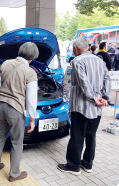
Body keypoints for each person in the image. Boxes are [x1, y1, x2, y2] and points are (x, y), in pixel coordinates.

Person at [57, 38, 110, 175]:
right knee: (91, 135)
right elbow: (107, 79)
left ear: (75, 49)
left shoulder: (77, 61)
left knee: (77, 135)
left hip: (80, 106)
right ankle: (87, 164)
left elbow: (83, 81)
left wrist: (92, 98)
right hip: (97, 107)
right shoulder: (100, 60)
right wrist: (104, 97)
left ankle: (73, 166)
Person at [0, 42, 39, 182]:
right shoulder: (30, 72)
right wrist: (33, 119)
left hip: (0, 105)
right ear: (33, 57)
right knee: (17, 142)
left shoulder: (5, 64)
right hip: (15, 109)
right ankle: (14, 174)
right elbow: (31, 100)